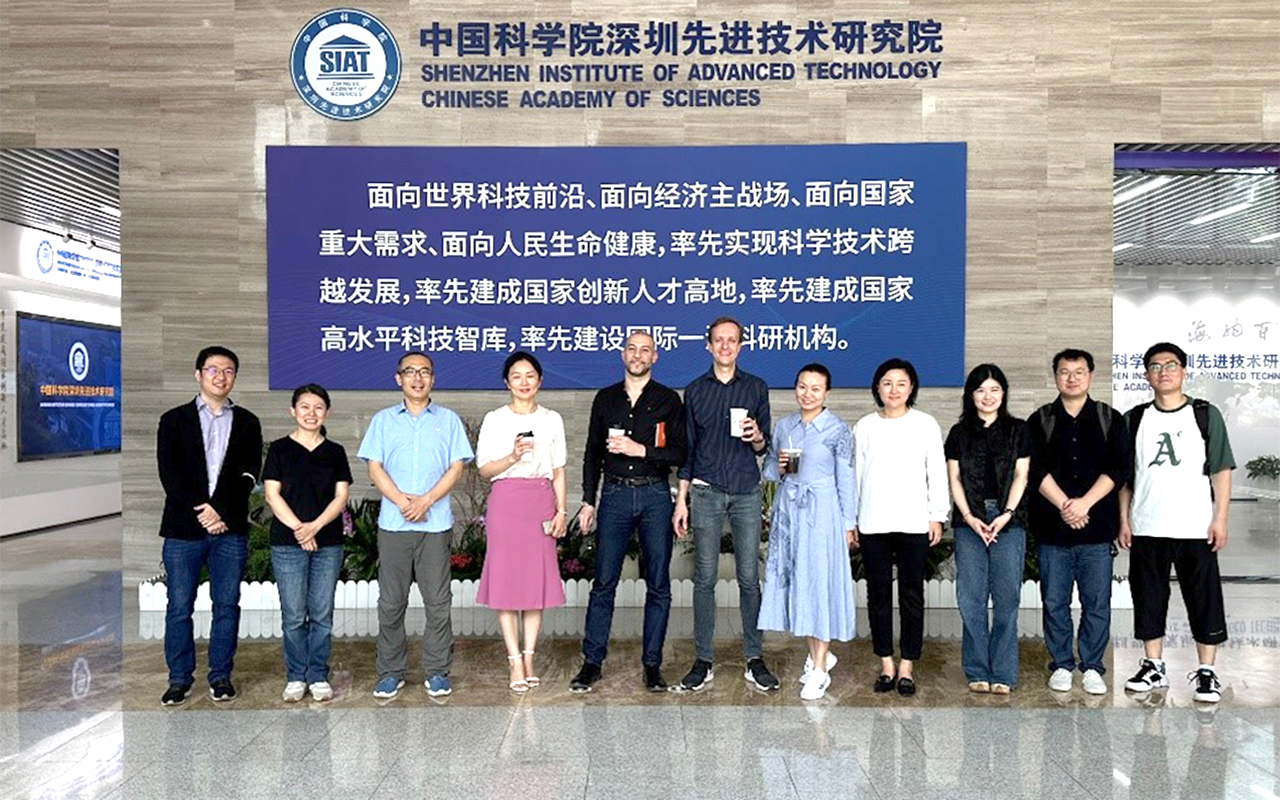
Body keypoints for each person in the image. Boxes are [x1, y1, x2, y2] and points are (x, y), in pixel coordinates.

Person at [1119, 342, 1235, 703]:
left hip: (1195, 527)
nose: (1163, 372)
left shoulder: (1204, 414)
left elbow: (1221, 469)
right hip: (1147, 525)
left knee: (1203, 599)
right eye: (1155, 366)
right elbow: (1126, 478)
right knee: (1148, 598)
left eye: (1171, 365)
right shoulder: (1134, 419)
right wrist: (1123, 519)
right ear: (1146, 375)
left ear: (1184, 371)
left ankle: (1207, 672)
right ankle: (1153, 666)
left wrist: (1220, 518)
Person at [571, 331, 686, 693]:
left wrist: (641, 450)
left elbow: (680, 453)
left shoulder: (669, 400)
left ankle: (652, 665)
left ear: (655, 357)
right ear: (623, 354)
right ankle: (592, 663)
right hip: (615, 495)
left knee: (659, 585)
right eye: (632, 349)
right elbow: (592, 453)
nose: (638, 355)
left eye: (645, 350)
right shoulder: (605, 398)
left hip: (655, 495)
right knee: (604, 582)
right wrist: (588, 500)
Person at [357, 351, 473, 700]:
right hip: (394, 525)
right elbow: (374, 467)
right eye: (410, 372)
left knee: (438, 602)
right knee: (391, 602)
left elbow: (456, 467)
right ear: (399, 378)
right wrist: (403, 502)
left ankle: (437, 671)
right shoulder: (382, 420)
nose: (417, 378)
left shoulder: (449, 420)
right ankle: (390, 672)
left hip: (434, 525)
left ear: (432, 379)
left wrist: (426, 500)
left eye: (424, 372)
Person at [672, 317, 779, 692]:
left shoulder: (755, 387)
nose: (725, 346)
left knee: (749, 578)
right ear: (708, 345)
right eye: (718, 340)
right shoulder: (695, 391)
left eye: (732, 340)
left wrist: (756, 436)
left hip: (746, 491)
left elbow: (764, 447)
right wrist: (681, 499)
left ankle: (754, 657)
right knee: (704, 579)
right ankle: (703, 660)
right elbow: (688, 450)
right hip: (705, 491)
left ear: (740, 346)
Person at [156, 346, 263, 706]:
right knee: (178, 606)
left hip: (229, 531)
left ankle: (220, 676)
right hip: (183, 529)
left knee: (227, 605)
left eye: (228, 370)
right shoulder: (173, 420)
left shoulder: (247, 422)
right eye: (213, 369)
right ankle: (179, 679)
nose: (221, 376)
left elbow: (249, 474)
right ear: (198, 374)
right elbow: (169, 474)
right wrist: (202, 511)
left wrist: (221, 514)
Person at [1028, 348, 1130, 696]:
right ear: (1055, 376)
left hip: (1097, 529)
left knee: (1096, 603)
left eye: (1079, 372)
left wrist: (1084, 503)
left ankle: (1092, 666)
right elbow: (1034, 470)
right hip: (1052, 530)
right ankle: (1060, 664)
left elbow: (1119, 468)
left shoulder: (1109, 418)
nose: (1071, 378)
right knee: (1054, 602)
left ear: (1091, 376)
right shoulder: (1040, 419)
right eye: (1064, 372)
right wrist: (1065, 505)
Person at [758, 363, 857, 701]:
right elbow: (770, 470)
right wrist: (778, 467)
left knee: (820, 585)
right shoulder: (785, 425)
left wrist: (848, 524)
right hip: (790, 512)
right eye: (802, 386)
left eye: (816, 388)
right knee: (801, 584)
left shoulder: (837, 430)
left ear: (826, 392)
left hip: (823, 514)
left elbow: (846, 480)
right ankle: (818, 656)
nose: (808, 394)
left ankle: (819, 668)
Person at [852, 357, 948, 696]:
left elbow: (937, 471)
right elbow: (855, 476)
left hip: (913, 521)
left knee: (911, 594)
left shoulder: (925, 424)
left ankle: (907, 665)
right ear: (877, 388)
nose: (894, 389)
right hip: (873, 521)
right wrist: (853, 520)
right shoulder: (865, 426)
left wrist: (937, 514)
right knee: (877, 594)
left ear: (911, 388)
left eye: (901, 383)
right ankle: (886, 663)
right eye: (887, 383)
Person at [475, 352, 567, 692]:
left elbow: (558, 469)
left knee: (534, 584)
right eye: (517, 376)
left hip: (540, 502)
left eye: (530, 375)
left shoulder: (552, 419)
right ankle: (513, 660)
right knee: (506, 583)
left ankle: (529, 657)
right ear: (507, 382)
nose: (524, 382)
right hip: (506, 503)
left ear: (540, 380)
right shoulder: (495, 419)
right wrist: (513, 456)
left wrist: (561, 511)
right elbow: (484, 469)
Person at [261, 384, 352, 703]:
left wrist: (314, 527)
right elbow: (271, 494)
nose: (311, 413)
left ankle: (317, 675)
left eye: (318, 407)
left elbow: (341, 496)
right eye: (304, 406)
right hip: (287, 543)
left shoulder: (335, 452)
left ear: (327, 412)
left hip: (328, 542)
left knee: (322, 614)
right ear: (293, 411)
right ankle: (296, 676)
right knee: (294, 615)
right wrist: (300, 529)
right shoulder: (279, 449)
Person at [944, 364, 1031, 695]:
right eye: (980, 390)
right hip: (969, 522)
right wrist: (969, 517)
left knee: (1007, 598)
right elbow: (954, 478)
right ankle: (977, 669)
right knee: (971, 598)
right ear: (971, 395)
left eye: (994, 389)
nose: (988, 396)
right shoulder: (958, 433)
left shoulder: (1019, 430)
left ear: (1003, 394)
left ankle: (1004, 672)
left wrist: (1007, 513)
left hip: (1008, 521)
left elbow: (1022, 475)